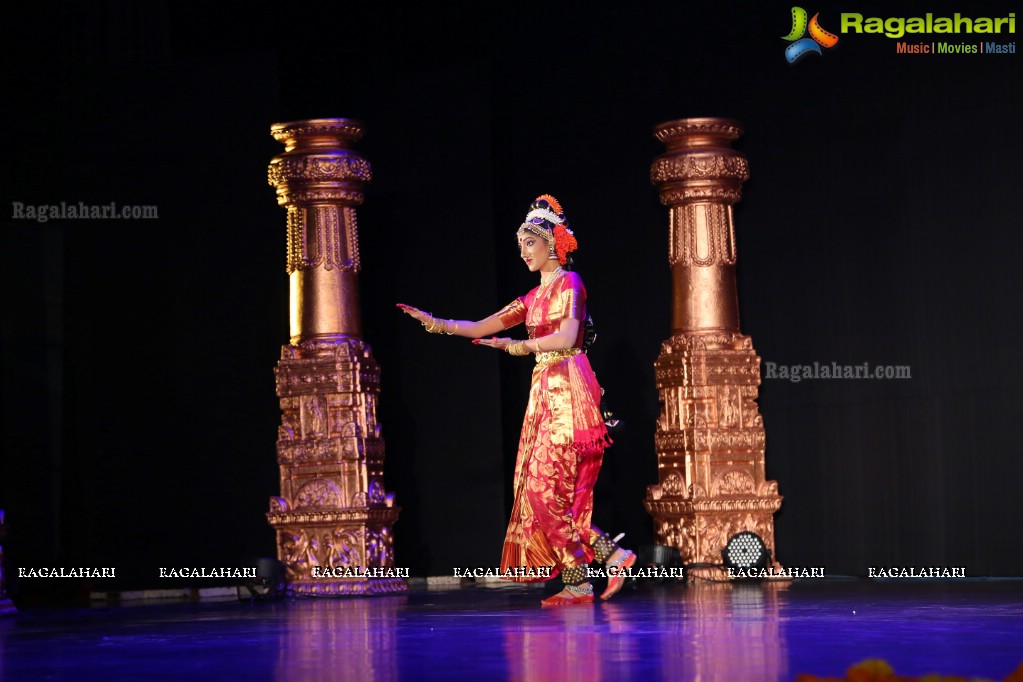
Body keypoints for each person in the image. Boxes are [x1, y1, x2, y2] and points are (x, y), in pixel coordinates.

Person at [398, 194, 635, 605]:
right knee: (539, 493)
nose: (523, 251)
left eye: (530, 243)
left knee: (546, 492)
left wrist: (516, 347)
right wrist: (436, 324)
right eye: (520, 244)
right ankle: (608, 559)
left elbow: (564, 337)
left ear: (551, 244)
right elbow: (479, 326)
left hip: (569, 387)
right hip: (544, 391)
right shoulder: (531, 298)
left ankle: (589, 573)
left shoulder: (570, 283)